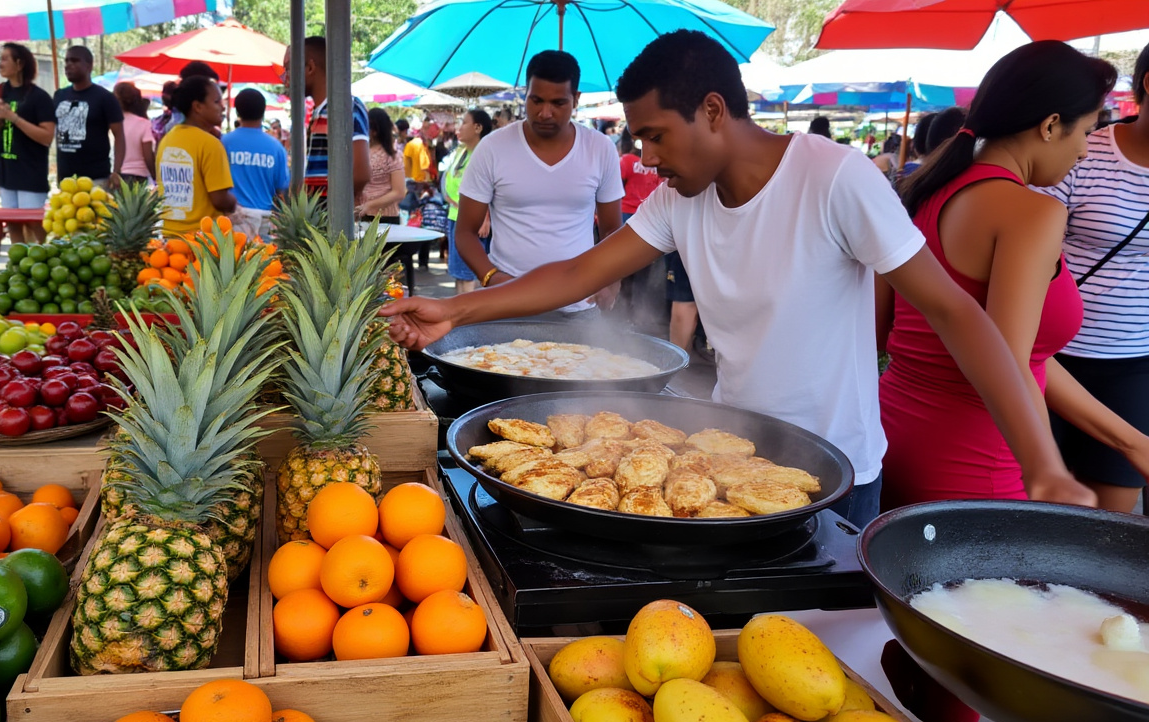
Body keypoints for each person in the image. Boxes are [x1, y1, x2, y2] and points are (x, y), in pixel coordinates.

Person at [384, 30, 1096, 524]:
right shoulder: (677, 198)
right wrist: (458, 312)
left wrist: (1043, 465)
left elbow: (954, 313)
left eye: (655, 135)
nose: (646, 156)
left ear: (714, 112)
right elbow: (578, 271)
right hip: (726, 452)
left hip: (837, 473)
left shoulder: (835, 178)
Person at [878, 41, 1135, 510]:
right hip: (980, 464)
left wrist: (1130, 441)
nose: (1083, 151)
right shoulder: (1032, 213)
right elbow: (1010, 362)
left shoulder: (923, 193)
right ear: (1051, 125)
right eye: (1086, 131)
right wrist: (1049, 471)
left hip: (893, 435)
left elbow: (1026, 355)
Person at [1040, 43, 1149, 513]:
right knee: (1034, 509)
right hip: (1053, 359)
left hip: (1133, 365)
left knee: (1112, 526)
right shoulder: (1081, 151)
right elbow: (1027, 255)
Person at [454, 50, 624, 316]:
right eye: (536, 101)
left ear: (576, 99)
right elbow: (464, 232)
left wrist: (612, 279)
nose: (545, 113)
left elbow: (612, 230)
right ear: (525, 94)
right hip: (506, 302)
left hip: (580, 305)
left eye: (558, 103)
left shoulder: (599, 148)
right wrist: (492, 278)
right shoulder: (492, 148)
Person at [282, 36, 370, 197]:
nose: (285, 80)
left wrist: (330, 209)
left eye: (288, 69)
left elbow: (361, 173)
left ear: (310, 67)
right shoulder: (319, 112)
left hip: (329, 218)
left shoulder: (345, 107)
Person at [0, 42, 54, 244]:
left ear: (20, 63)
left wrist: (13, 118)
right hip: (5, 170)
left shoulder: (39, 97)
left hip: (30, 172)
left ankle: (43, 260)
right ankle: (18, 266)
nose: (0, 64)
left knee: (33, 223)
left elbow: (47, 137)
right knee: (12, 223)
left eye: (5, 58)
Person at [156, 76, 234, 236]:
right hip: (203, 243)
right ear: (198, 106)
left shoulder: (167, 140)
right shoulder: (210, 144)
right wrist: (234, 203)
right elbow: (219, 200)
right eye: (217, 102)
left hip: (169, 240)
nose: (223, 107)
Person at [617, 124, 670, 334]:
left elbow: (616, 187)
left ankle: (627, 313)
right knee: (642, 270)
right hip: (642, 215)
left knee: (624, 268)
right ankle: (635, 316)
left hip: (632, 215)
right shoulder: (636, 162)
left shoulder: (626, 161)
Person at [53, 46, 124, 190]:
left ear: (89, 65)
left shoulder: (105, 98)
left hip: (96, 179)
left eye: (74, 61)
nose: (68, 65)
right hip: (66, 180)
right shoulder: (59, 96)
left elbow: (119, 136)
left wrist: (117, 171)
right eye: (66, 61)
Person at [223, 88, 289, 240]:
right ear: (263, 111)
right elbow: (281, 189)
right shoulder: (276, 147)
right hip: (264, 224)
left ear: (237, 111)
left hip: (231, 222)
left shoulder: (224, 142)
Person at [440, 109, 493, 294]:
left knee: (467, 273)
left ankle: (467, 319)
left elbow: (491, 189)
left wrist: (486, 218)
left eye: (464, 122)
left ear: (478, 127)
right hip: (455, 217)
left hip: (473, 222)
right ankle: (459, 317)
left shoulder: (485, 155)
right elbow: (447, 182)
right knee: (458, 272)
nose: (459, 128)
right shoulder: (460, 153)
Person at [357, 107, 405, 221]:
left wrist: (369, 205)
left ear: (374, 131)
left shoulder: (392, 155)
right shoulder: (361, 151)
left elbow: (399, 192)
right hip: (362, 214)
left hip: (385, 217)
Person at [114, 82, 155, 185]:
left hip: (116, 175)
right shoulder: (144, 123)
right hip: (138, 177)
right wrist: (156, 177)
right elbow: (148, 156)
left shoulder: (113, 123)